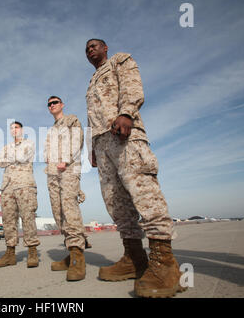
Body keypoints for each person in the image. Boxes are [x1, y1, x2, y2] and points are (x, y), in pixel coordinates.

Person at [85, 38, 186, 297]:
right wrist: (91, 149)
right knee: (115, 202)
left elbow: (132, 86)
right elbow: (91, 118)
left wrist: (127, 113)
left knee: (144, 193)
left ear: (105, 48)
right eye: (86, 49)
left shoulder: (120, 60)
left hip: (123, 134)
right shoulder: (91, 83)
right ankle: (134, 258)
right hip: (102, 145)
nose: (90, 50)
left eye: (94, 45)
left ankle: (165, 265)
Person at [44, 96, 87, 281]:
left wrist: (66, 160)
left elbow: (78, 141)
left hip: (68, 169)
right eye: (49, 104)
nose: (52, 105)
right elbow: (47, 152)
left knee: (69, 208)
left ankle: (78, 256)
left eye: (55, 102)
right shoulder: (50, 131)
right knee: (58, 212)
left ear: (61, 105)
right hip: (52, 173)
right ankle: (71, 251)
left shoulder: (71, 120)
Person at [0, 121, 40, 268]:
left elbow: (23, 157)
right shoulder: (6, 147)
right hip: (7, 186)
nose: (14, 130)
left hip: (24, 184)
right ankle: (10, 253)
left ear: (22, 130)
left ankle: (32, 251)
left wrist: (11, 157)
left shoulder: (29, 143)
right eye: (11, 128)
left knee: (27, 217)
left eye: (16, 128)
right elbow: (0, 162)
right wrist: (13, 156)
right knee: (8, 219)